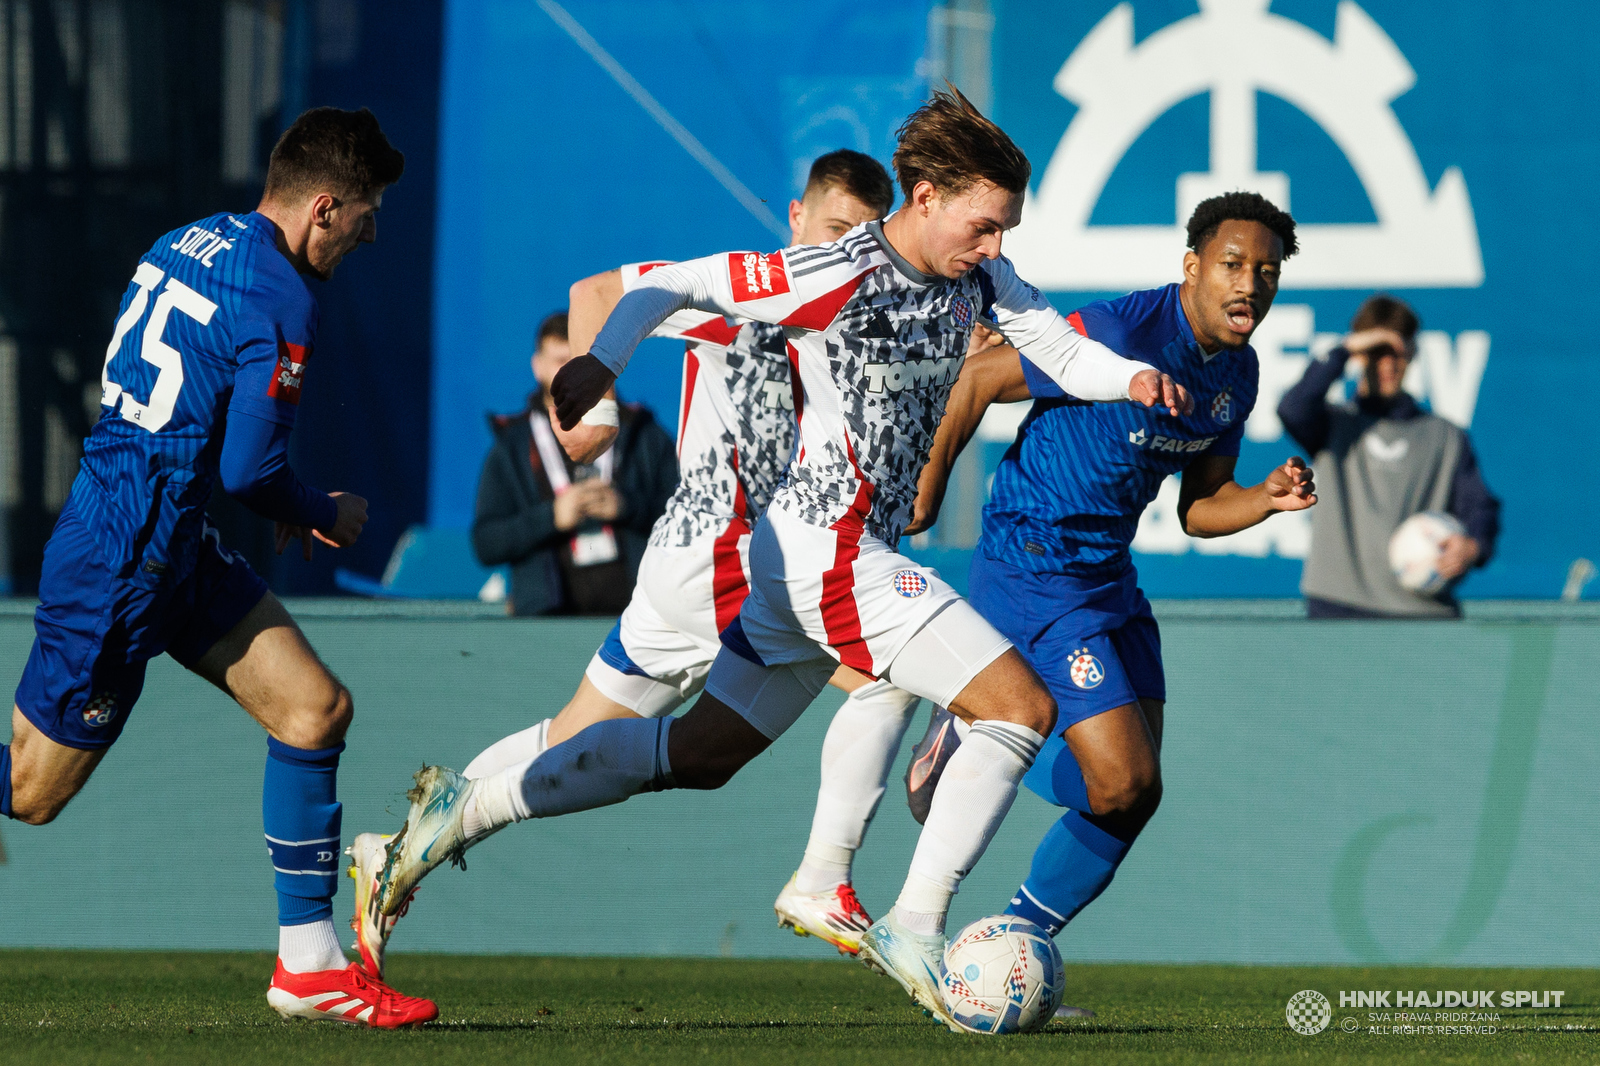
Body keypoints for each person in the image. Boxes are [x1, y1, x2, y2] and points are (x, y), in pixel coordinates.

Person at [371, 87, 1189, 1030]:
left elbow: (1054, 345)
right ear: (924, 197)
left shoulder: (978, 281)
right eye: (984, 224)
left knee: (699, 753)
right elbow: (669, 285)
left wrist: (1131, 376)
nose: (997, 245)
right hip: (825, 550)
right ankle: (915, 927)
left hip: (806, 562)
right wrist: (601, 366)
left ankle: (466, 810)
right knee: (1019, 705)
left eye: (1004, 229)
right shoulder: (835, 269)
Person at [345, 149, 917, 977]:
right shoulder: (748, 289)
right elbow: (596, 295)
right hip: (734, 550)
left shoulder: (864, 307)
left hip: (692, 559)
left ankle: (399, 852)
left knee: (573, 737)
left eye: (862, 237)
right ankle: (829, 882)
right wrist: (599, 405)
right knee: (883, 676)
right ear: (796, 216)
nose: (844, 248)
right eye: (833, 229)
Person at [0, 108, 436, 1026]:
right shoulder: (284, 297)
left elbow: (207, 428)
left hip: (170, 539)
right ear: (323, 207)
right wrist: (320, 510)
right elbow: (250, 470)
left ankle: (308, 966)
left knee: (316, 709)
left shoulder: (187, 238)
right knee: (32, 794)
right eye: (364, 214)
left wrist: (263, 494)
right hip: (121, 559)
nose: (370, 232)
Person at [900, 192, 1314, 987]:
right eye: (1233, 265)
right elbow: (980, 376)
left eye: (1266, 273)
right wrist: (927, 490)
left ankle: (1011, 949)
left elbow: (1199, 508)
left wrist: (1264, 497)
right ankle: (971, 739)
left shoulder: (1239, 371)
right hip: (1034, 560)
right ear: (1192, 266)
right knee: (1119, 779)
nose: (1250, 285)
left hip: (1107, 575)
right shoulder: (1122, 332)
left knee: (1133, 792)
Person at [1277, 295, 1499, 618]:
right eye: (1376, 353)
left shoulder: (1446, 437)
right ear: (1359, 354)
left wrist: (1472, 546)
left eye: (1397, 354)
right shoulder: (1334, 425)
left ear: (1413, 355)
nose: (1388, 365)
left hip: (1420, 614)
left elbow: (1480, 508)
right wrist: (1345, 350)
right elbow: (1293, 408)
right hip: (1338, 608)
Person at [471, 311, 677, 617]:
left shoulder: (643, 433)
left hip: (642, 619)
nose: (569, 372)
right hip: (545, 625)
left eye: (579, 360)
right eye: (559, 361)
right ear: (537, 367)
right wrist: (552, 517)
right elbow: (486, 544)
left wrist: (627, 507)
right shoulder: (511, 448)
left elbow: (691, 517)